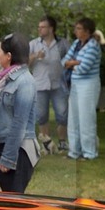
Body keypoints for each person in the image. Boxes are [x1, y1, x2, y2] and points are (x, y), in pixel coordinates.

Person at [0, 33, 39, 193]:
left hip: (18, 151)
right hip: (4, 144)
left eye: (0, 51)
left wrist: (8, 158)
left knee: (14, 203)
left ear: (9, 56)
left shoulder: (24, 82)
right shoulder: (7, 78)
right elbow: (9, 112)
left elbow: (19, 123)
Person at [61, 16, 103, 160]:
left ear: (87, 31)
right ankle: (74, 151)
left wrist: (71, 64)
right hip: (75, 83)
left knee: (86, 119)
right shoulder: (76, 43)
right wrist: (75, 62)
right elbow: (63, 61)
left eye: (78, 29)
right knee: (73, 119)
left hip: (88, 84)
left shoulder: (93, 46)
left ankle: (89, 152)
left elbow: (84, 68)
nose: (75, 31)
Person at [28, 15, 68, 154]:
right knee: (42, 115)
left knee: (62, 114)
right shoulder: (33, 44)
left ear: (51, 29)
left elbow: (69, 59)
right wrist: (34, 56)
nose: (40, 29)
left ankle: (62, 142)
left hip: (58, 84)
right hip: (39, 84)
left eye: (43, 27)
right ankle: (46, 144)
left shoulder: (63, 43)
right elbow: (24, 63)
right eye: (39, 27)